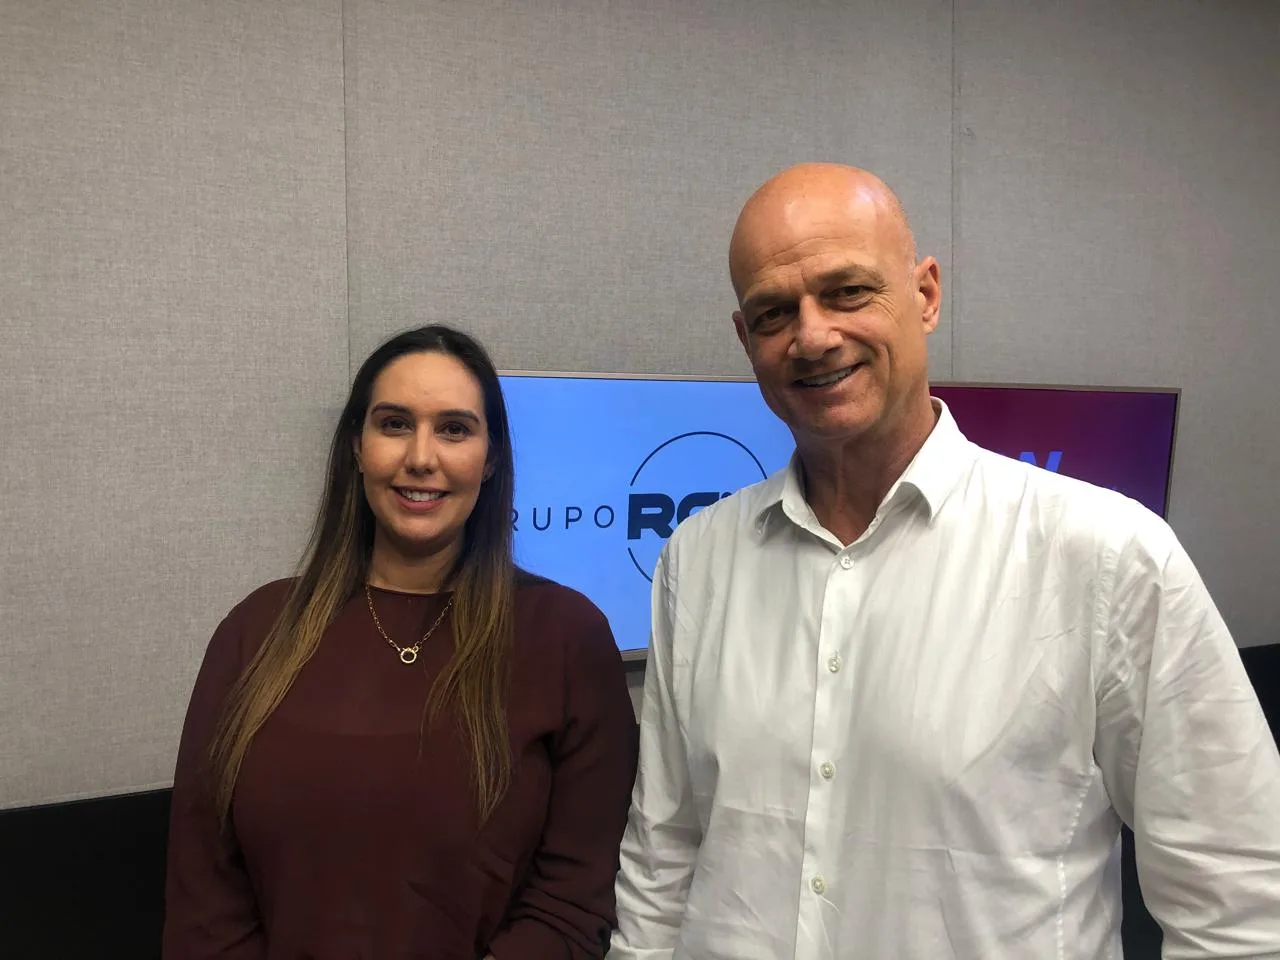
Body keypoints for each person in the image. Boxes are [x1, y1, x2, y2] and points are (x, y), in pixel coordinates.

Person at [610, 163, 1280, 959]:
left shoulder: (1105, 556)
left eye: (848, 291)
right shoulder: (697, 560)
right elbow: (664, 855)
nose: (813, 335)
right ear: (745, 337)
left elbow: (1236, 904)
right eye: (774, 312)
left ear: (925, 294)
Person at [164, 325, 639, 959]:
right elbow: (204, 901)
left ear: (491, 458)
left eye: (454, 429)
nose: (421, 457)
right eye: (394, 424)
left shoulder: (566, 637)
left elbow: (573, 900)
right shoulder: (254, 632)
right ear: (357, 448)